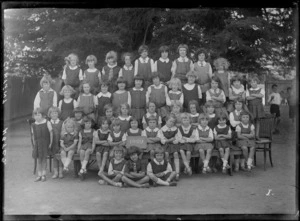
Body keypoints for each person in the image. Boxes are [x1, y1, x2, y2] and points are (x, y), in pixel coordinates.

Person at [31, 108, 53, 182]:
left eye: (39, 115)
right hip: (37, 144)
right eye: (35, 115)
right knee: (39, 159)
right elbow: (33, 135)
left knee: (43, 159)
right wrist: (34, 144)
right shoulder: (33, 125)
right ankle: (39, 175)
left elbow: (51, 133)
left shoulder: (47, 122)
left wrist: (50, 143)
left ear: (43, 115)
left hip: (45, 143)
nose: (37, 117)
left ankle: (44, 175)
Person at [229, 98, 248, 171]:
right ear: (234, 105)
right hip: (235, 134)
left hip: (244, 132)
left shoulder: (245, 113)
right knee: (237, 146)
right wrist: (241, 122)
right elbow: (232, 124)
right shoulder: (231, 113)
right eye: (236, 104)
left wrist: (238, 122)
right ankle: (237, 165)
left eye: (240, 104)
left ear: (242, 105)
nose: (238, 106)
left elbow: (247, 122)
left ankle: (242, 164)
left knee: (244, 145)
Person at [158, 115, 180, 180]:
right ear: (166, 121)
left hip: (173, 145)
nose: (171, 123)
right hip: (166, 145)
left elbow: (177, 139)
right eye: (170, 121)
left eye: (173, 122)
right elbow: (162, 140)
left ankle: (177, 172)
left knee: (175, 154)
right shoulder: (162, 129)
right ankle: (169, 171)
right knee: (166, 154)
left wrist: (173, 141)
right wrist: (170, 140)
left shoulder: (175, 129)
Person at [246, 75, 265, 140]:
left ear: (257, 82)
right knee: (252, 121)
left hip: (258, 107)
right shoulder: (248, 90)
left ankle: (257, 135)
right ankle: (252, 135)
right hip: (251, 107)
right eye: (251, 82)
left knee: (258, 121)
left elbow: (261, 95)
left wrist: (253, 95)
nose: (253, 83)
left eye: (254, 82)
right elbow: (248, 98)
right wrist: (257, 96)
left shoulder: (261, 89)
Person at [48, 107, 63, 179]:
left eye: (56, 113)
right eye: (52, 113)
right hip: (52, 143)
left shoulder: (61, 122)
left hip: (60, 142)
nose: (54, 114)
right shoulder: (48, 123)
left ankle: (60, 171)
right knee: (54, 157)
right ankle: (55, 172)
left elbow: (63, 133)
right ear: (50, 114)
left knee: (60, 157)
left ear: (58, 114)